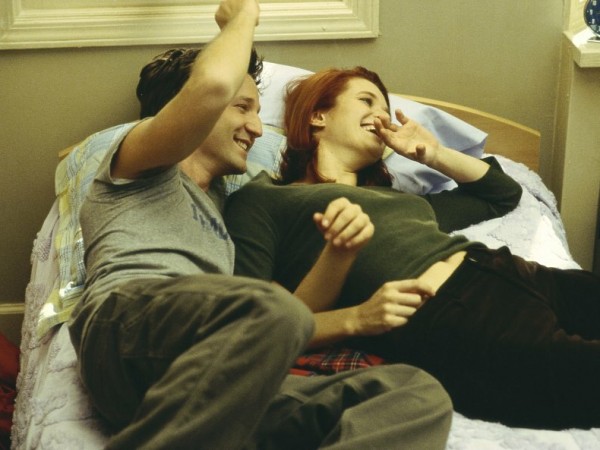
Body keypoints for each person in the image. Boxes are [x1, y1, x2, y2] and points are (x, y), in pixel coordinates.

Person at [67, 2, 454, 448]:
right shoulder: (136, 165)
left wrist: (341, 260)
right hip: (127, 333)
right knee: (269, 307)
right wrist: (241, 19)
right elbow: (211, 86)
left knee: (412, 393)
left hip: (212, 379)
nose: (257, 127)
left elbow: (287, 320)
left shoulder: (230, 203)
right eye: (243, 108)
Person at [224, 65, 600, 430]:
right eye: (366, 101)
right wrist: (356, 315)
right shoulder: (264, 199)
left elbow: (502, 193)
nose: (381, 116)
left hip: (512, 272)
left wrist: (433, 154)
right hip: (451, 313)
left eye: (385, 110)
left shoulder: (401, 200)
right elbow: (259, 328)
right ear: (318, 116)